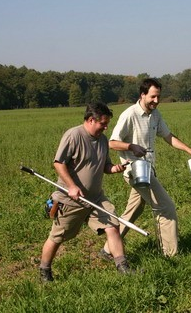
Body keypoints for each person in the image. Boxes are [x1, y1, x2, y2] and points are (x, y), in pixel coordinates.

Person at [100, 78, 191, 258]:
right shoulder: (129, 114)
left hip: (148, 170)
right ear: (142, 95)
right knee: (166, 207)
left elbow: (168, 136)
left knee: (133, 210)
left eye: (158, 97)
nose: (156, 101)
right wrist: (131, 147)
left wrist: (190, 151)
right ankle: (170, 255)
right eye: (153, 97)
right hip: (134, 171)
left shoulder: (155, 115)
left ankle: (108, 249)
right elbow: (112, 142)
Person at [39, 102, 134, 282]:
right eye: (103, 124)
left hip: (96, 198)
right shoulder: (74, 135)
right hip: (70, 200)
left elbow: (105, 165)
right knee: (57, 237)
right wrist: (72, 186)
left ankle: (123, 267)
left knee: (112, 225)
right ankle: (45, 271)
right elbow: (58, 163)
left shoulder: (103, 140)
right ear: (91, 120)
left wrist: (115, 168)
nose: (106, 127)